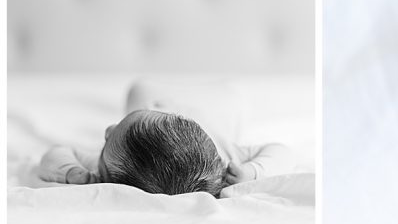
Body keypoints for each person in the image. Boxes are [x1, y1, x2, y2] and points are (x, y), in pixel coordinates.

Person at [39, 78, 294, 197]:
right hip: (218, 103)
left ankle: (145, 110)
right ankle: (145, 113)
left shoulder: (103, 165)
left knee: (140, 92)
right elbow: (282, 152)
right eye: (114, 132)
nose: (107, 130)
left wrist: (70, 171)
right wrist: (252, 171)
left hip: (156, 99)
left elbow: (57, 152)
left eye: (112, 134)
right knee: (233, 98)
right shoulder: (228, 161)